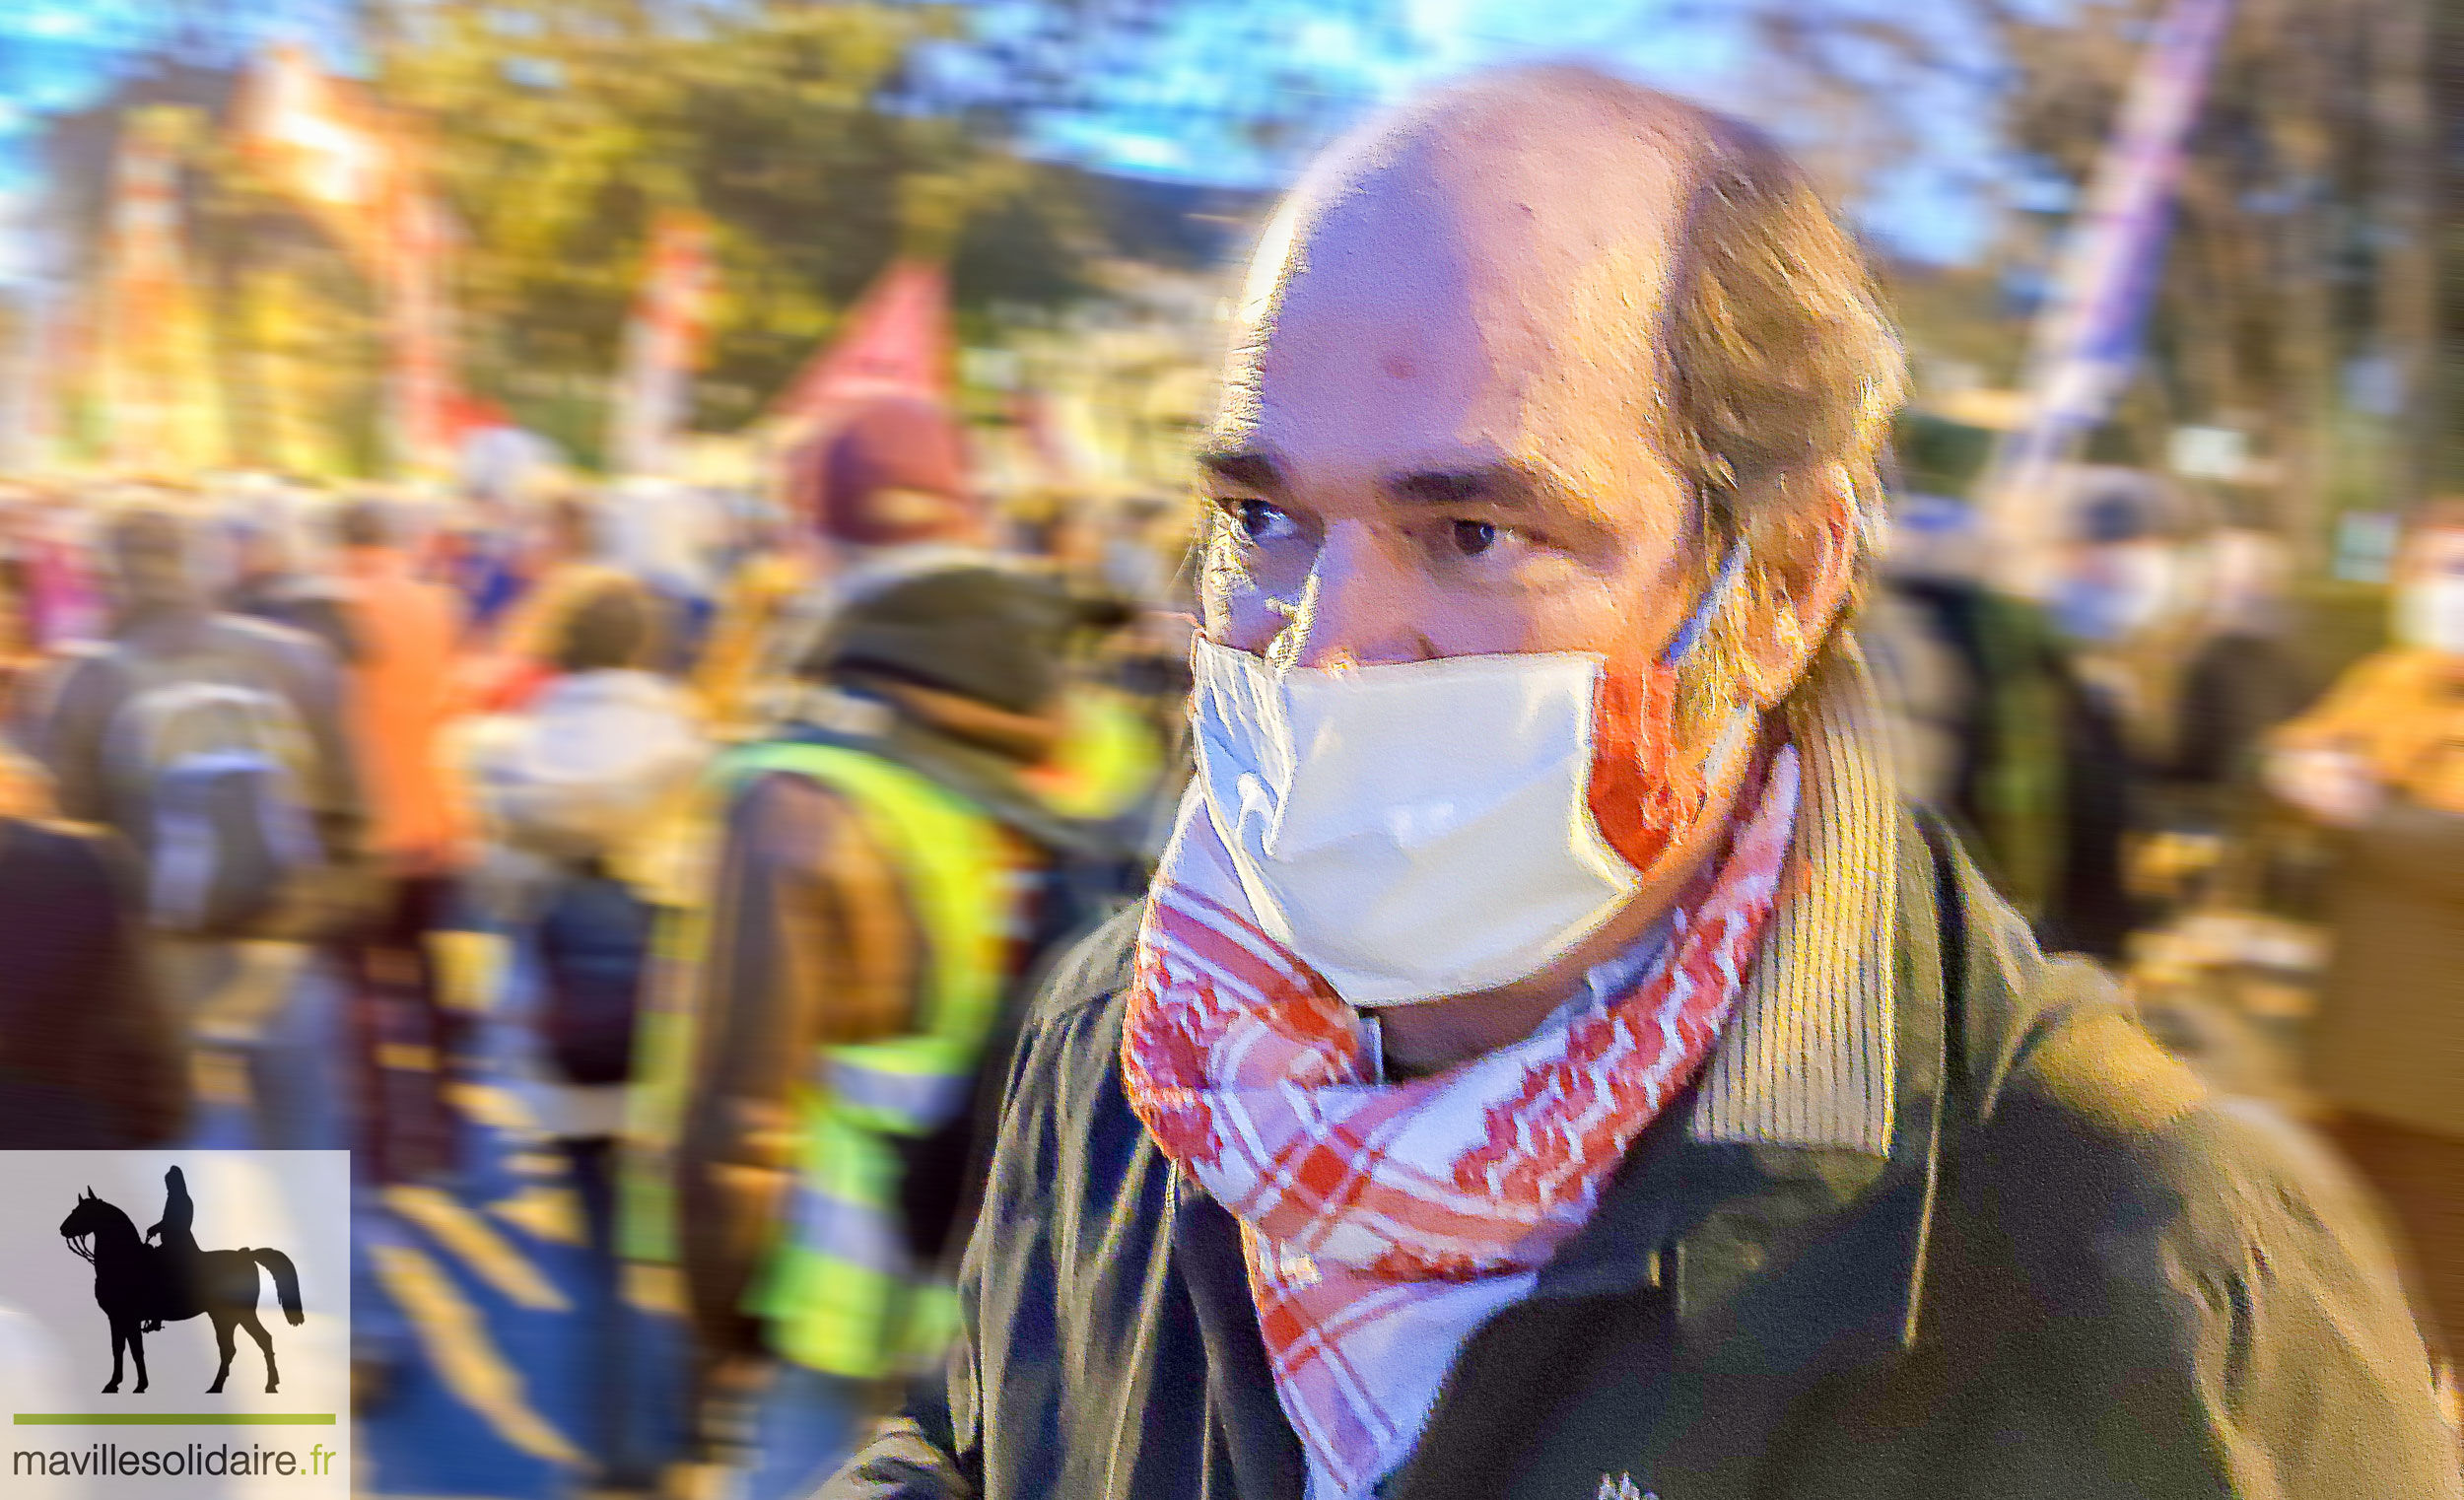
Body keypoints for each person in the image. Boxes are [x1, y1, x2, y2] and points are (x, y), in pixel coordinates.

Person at [821, 68, 2457, 1500]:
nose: (1315, 654)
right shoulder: (1131, 1039)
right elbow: (987, 1439)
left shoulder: (2136, 1264)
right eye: (1263, 519)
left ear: (1789, 579)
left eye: (1476, 534)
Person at [650, 563, 1114, 1500]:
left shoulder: (799, 802)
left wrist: (718, 1326)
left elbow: (739, 1117)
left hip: (832, 1298)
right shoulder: (1066, 801)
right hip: (1009, 1279)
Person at [2266, 495, 2464, 1364]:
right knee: (2351, 1285)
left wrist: (2364, 814)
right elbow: (2301, 757)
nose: (2437, 590)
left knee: (2435, 1312)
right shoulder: (2395, 677)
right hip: (2358, 1052)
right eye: (2428, 568)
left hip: (2441, 1082)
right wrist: (2305, 776)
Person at [331, 498, 473, 1184]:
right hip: (433, 821)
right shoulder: (436, 605)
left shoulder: (333, 610)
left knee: (361, 998)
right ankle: (444, 1130)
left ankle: (381, 1144)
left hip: (361, 838)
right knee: (428, 985)